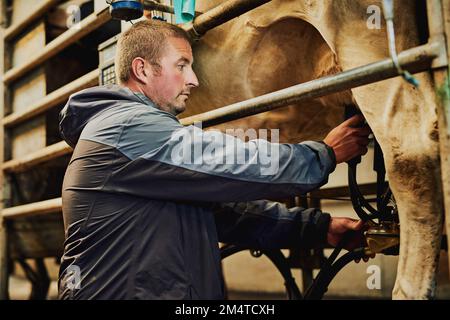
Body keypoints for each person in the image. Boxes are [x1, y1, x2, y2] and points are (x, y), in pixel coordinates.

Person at [57, 20, 371, 300]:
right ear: (143, 69)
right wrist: (323, 155)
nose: (193, 79)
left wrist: (318, 229)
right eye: (181, 65)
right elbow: (229, 161)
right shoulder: (128, 126)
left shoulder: (130, 135)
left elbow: (222, 215)